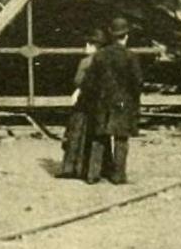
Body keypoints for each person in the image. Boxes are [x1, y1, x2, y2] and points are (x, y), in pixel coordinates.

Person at [81, 16, 142, 184]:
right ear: (126, 36)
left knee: (99, 138)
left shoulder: (100, 56)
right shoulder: (131, 56)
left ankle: (93, 174)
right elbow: (137, 82)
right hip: (123, 102)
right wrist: (134, 100)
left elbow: (89, 81)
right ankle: (118, 175)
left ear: (111, 34)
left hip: (102, 101)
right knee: (121, 139)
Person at [58, 27, 105, 180]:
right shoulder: (105, 61)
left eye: (88, 44)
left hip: (84, 101)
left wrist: (78, 91)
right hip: (99, 102)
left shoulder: (85, 62)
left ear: (93, 45)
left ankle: (70, 168)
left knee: (76, 133)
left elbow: (77, 81)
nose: (85, 46)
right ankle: (92, 171)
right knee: (94, 137)